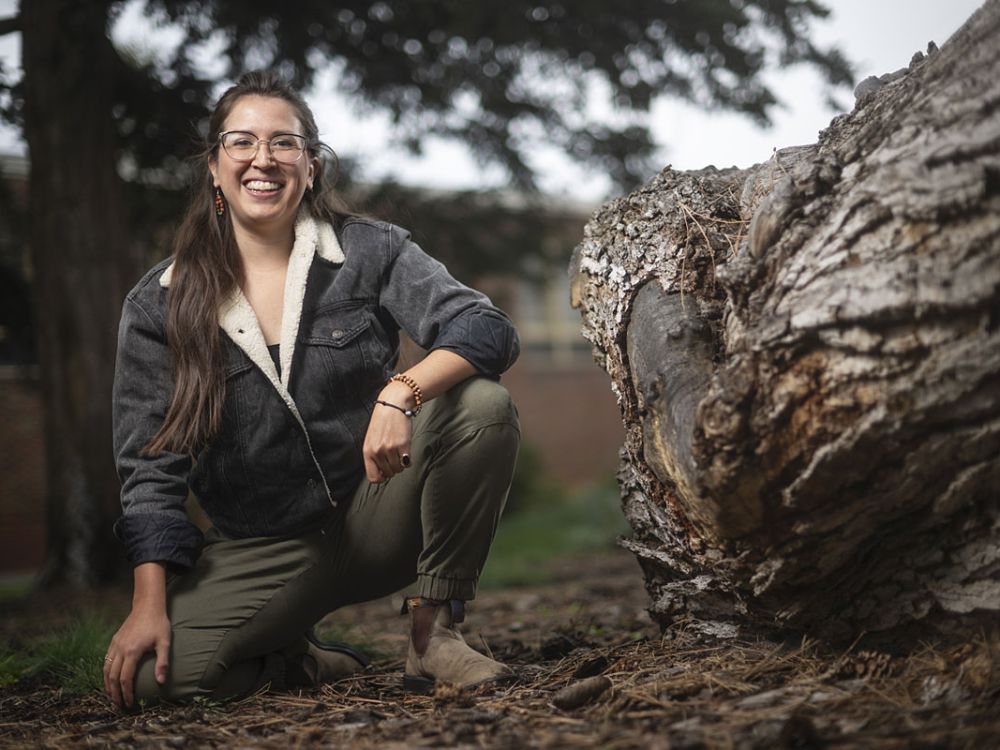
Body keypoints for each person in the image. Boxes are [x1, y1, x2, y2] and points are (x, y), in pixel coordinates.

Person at [103, 71, 521, 710]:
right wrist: (147, 606)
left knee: (483, 405)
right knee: (153, 681)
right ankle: (299, 659)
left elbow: (484, 328)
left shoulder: (369, 249)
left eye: (284, 143)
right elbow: (148, 472)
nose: (262, 159)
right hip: (262, 547)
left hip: (377, 510)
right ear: (214, 168)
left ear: (312, 166)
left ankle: (433, 633)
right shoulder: (158, 304)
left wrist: (400, 392)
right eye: (241, 143)